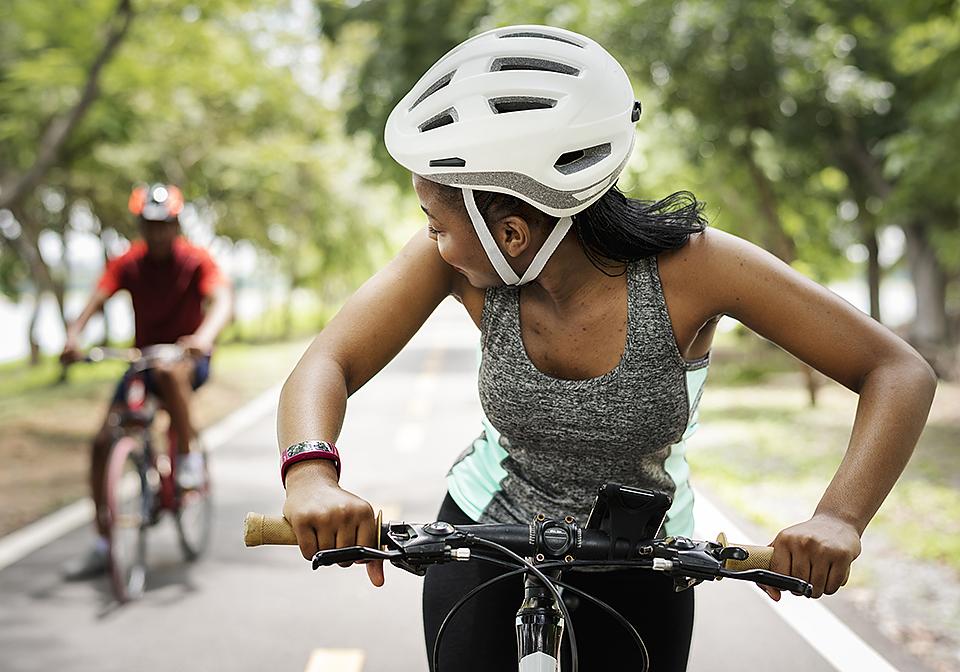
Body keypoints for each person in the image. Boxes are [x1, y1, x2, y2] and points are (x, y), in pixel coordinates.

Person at [275, 25, 937, 671]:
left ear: (510, 233)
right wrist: (310, 474)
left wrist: (838, 519)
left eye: (437, 223)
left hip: (641, 552)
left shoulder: (695, 270)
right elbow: (327, 362)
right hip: (486, 537)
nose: (433, 241)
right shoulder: (454, 263)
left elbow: (897, 371)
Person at [61, 183, 233, 579]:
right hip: (142, 360)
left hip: (186, 360)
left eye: (165, 225)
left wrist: (203, 339)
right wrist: (74, 337)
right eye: (149, 225)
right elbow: (95, 301)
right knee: (103, 441)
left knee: (169, 372)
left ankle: (187, 459)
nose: (157, 233)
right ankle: (103, 543)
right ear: (140, 225)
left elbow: (223, 301)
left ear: (176, 225)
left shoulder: (195, 260)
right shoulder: (128, 263)